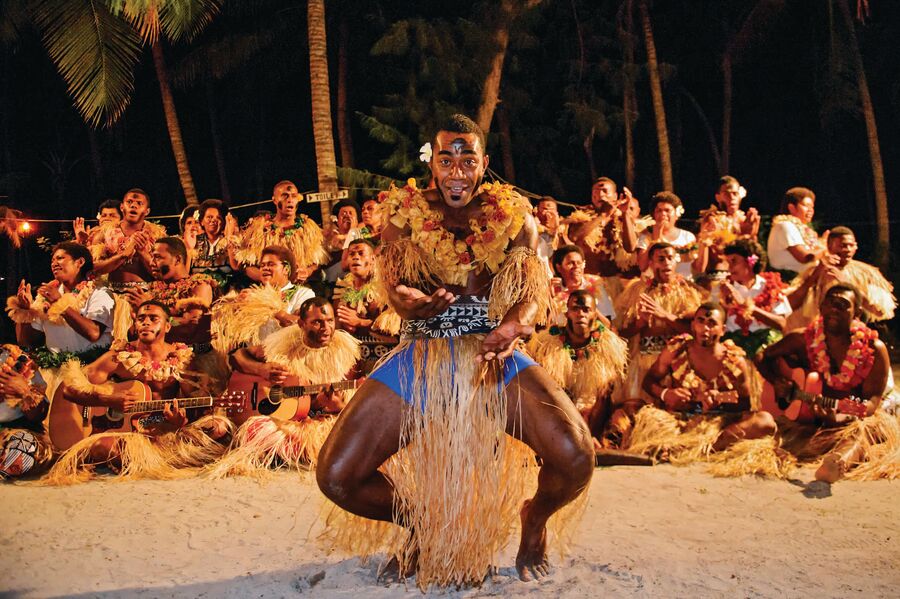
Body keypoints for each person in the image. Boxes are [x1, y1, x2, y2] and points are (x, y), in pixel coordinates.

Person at [317, 114, 593, 587]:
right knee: (337, 475)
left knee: (576, 456)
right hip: (422, 351)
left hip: (492, 355)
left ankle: (534, 519)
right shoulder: (404, 213)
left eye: (468, 160)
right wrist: (409, 303)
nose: (457, 171)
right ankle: (423, 523)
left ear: (484, 163)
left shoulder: (515, 216)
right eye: (447, 160)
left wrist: (514, 324)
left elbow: (531, 292)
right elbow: (395, 288)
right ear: (433, 164)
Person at [42, 301, 233, 484]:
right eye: (141, 318)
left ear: (167, 326)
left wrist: (179, 422)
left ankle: (149, 459)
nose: (146, 322)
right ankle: (153, 460)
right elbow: (69, 388)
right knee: (103, 447)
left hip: (163, 430)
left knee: (218, 427)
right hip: (126, 436)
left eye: (153, 318)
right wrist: (107, 399)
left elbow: (194, 408)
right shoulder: (118, 358)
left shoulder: (181, 359)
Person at [757, 284, 896, 482]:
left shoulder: (873, 349)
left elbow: (871, 403)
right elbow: (762, 356)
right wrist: (777, 381)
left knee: (863, 431)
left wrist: (838, 419)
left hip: (852, 418)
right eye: (830, 303)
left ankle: (837, 463)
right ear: (821, 307)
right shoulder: (803, 339)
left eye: (842, 304)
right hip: (812, 417)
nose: (834, 309)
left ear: (857, 313)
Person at [209, 297, 362, 476]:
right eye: (317, 322)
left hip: (313, 423)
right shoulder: (284, 344)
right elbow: (238, 356)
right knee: (256, 429)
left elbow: (348, 409)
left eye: (330, 321)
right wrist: (261, 369)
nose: (326, 328)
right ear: (301, 324)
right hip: (285, 421)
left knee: (348, 435)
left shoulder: (345, 353)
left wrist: (337, 407)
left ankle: (287, 452)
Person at [630, 303, 776, 462]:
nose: (705, 328)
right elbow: (648, 381)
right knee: (642, 414)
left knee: (765, 421)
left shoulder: (735, 361)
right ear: (693, 325)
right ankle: (690, 447)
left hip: (719, 425)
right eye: (700, 321)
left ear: (722, 330)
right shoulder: (676, 349)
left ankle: (698, 448)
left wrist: (720, 398)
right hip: (680, 421)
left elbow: (745, 403)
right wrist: (666, 394)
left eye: (712, 323)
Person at [525, 290, 627, 447]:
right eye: (575, 309)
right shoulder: (547, 344)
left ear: (595, 314)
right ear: (567, 314)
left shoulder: (607, 347)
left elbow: (602, 399)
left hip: (590, 416)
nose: (580, 314)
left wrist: (590, 435)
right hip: (555, 414)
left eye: (586, 310)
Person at [614, 242, 705, 402]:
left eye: (670, 258)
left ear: (676, 260)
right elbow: (620, 334)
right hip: (642, 363)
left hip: (677, 364)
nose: (666, 263)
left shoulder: (688, 291)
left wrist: (664, 316)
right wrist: (640, 324)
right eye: (661, 259)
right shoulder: (636, 290)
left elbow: (696, 331)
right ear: (651, 263)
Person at [213, 245, 316, 356]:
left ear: (286, 269)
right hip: (255, 357)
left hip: (286, 357)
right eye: (262, 265)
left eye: (271, 264)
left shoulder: (303, 293)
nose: (265, 268)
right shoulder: (251, 294)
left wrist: (265, 303)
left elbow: (302, 326)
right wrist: (235, 306)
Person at [787, 226, 895, 327]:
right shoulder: (814, 270)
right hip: (819, 329)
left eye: (851, 245)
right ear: (829, 247)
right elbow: (791, 303)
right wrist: (817, 272)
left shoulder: (866, 273)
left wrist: (847, 283)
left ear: (856, 246)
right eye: (843, 246)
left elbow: (880, 311)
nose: (848, 249)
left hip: (852, 331)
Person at [233, 180, 328, 283]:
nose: (290, 200)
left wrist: (307, 271)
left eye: (294, 196)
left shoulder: (308, 227)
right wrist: (266, 277)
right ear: (274, 200)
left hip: (301, 287)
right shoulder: (260, 228)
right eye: (285, 196)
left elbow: (317, 262)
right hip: (268, 289)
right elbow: (246, 265)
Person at [332, 239, 399, 372]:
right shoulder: (341, 289)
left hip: (383, 361)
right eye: (352, 254)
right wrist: (342, 326)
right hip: (350, 361)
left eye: (361, 253)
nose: (356, 257)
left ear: (373, 259)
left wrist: (360, 322)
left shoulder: (385, 289)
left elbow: (395, 332)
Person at [719, 239, 790, 359]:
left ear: (750, 262)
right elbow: (716, 323)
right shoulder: (722, 287)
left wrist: (747, 306)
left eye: (734, 261)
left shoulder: (771, 285)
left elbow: (782, 324)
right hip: (733, 346)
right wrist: (724, 305)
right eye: (728, 262)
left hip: (766, 346)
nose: (729, 267)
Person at [566, 177, 639, 290]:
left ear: (615, 196)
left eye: (605, 191)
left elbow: (631, 247)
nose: (600, 194)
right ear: (592, 197)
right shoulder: (581, 218)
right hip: (589, 283)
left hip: (617, 285)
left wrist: (625, 213)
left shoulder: (623, 219)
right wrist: (603, 215)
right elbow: (575, 237)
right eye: (596, 192)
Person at [91, 189, 166, 283]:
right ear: (122, 207)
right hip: (112, 290)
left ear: (147, 211)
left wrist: (143, 253)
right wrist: (123, 256)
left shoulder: (158, 235)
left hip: (147, 290)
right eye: (129, 202)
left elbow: (163, 275)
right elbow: (93, 270)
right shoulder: (104, 233)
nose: (133, 205)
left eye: (139, 203)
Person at [0, 345, 52, 478]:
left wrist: (25, 392)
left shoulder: (19, 359)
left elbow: (39, 414)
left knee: (23, 450)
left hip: (18, 431)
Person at [636, 192, 707, 279]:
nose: (663, 214)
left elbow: (700, 268)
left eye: (667, 210)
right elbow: (642, 267)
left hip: (682, 285)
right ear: (654, 215)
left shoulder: (688, 237)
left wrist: (705, 241)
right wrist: (656, 238)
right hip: (653, 285)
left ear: (676, 214)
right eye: (659, 210)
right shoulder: (646, 236)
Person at [696, 176, 760, 271]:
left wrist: (752, 234)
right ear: (718, 197)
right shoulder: (712, 220)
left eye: (735, 194)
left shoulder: (744, 219)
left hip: (742, 273)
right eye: (726, 194)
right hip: (718, 273)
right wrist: (743, 236)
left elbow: (753, 256)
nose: (732, 198)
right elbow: (719, 254)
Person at [766, 186, 824, 280]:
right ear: (792, 208)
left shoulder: (804, 230)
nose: (811, 210)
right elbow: (805, 257)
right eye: (806, 205)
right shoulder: (785, 226)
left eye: (812, 207)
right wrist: (825, 248)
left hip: (805, 281)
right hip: (788, 281)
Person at [549, 245, 615, 325]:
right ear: (559, 267)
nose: (576, 266)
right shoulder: (552, 289)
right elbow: (544, 326)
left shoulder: (595, 284)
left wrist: (590, 306)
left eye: (579, 263)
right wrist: (551, 300)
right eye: (570, 263)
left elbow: (608, 324)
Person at [184, 199, 239, 291]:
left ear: (224, 222)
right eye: (209, 217)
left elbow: (236, 267)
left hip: (228, 296)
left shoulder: (233, 241)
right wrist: (189, 249)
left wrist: (230, 238)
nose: (213, 220)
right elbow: (184, 275)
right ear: (201, 221)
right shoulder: (193, 241)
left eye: (218, 218)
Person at [534, 196, 571, 278]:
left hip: (554, 276)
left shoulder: (563, 229)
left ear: (557, 213)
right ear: (537, 212)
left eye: (551, 210)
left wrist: (556, 230)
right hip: (535, 272)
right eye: (544, 209)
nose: (548, 213)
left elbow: (569, 251)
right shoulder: (532, 226)